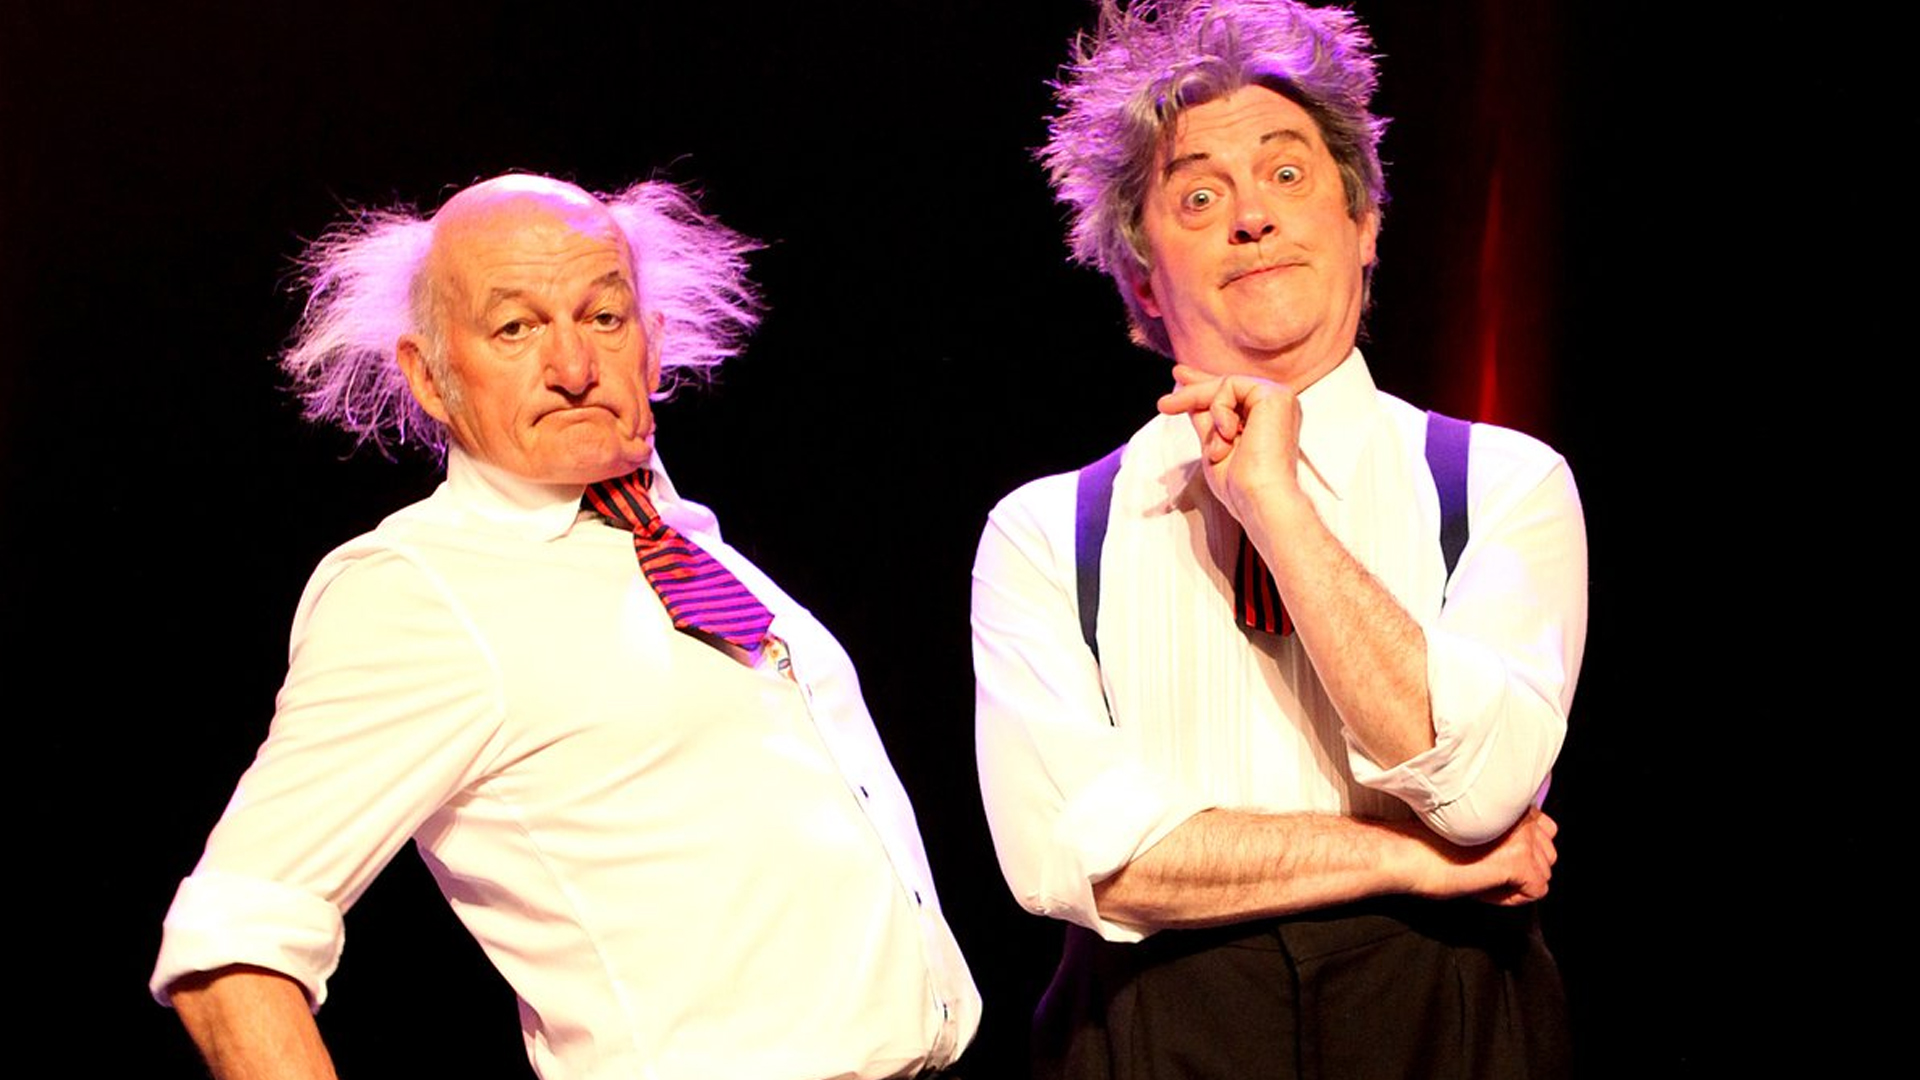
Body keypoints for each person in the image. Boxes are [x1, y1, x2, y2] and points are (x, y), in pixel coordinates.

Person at [152, 173, 979, 1080]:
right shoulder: (418, 590)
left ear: (652, 345)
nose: (573, 366)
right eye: (515, 328)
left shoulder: (684, 540)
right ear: (428, 375)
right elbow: (232, 939)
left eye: (603, 317)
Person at [971, 2, 1586, 1076]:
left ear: (1365, 226)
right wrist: (1410, 859)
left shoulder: (1500, 482)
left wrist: (1277, 505)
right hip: (1160, 1024)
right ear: (1140, 280)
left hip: (1444, 1007)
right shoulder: (1046, 531)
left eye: (1289, 174)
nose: (1252, 216)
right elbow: (1075, 856)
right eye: (1199, 196)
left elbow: (1481, 788)